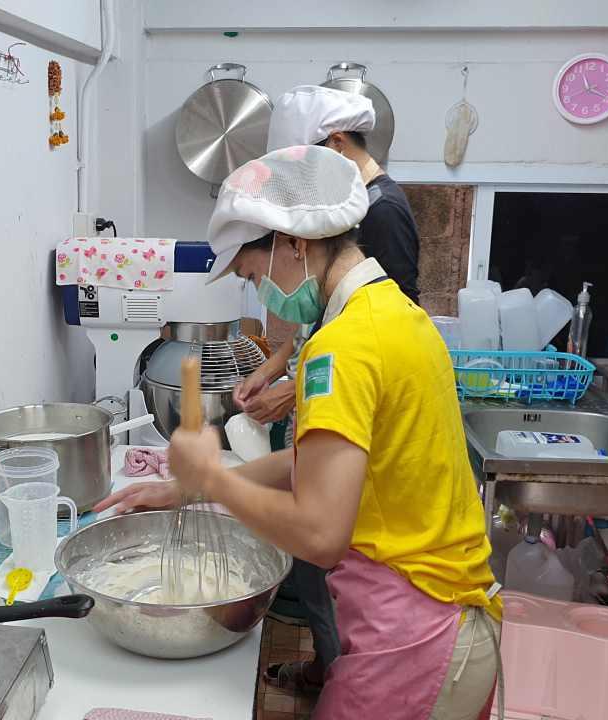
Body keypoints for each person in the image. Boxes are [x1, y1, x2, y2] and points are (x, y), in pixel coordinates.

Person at [96, 146, 501, 719]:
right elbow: (314, 464)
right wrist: (190, 488)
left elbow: (320, 533)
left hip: (419, 638)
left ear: (293, 244)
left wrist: (214, 476)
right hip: (445, 619)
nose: (260, 291)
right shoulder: (394, 314)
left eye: (253, 275)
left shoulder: (346, 346)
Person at [233, 85, 422, 692]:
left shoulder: (382, 213)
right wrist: (281, 364)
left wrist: (213, 484)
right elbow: (331, 313)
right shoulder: (350, 277)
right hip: (424, 620)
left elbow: (363, 349)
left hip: (413, 616)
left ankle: (341, 675)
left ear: (335, 146)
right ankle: (332, 671)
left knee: (335, 578)